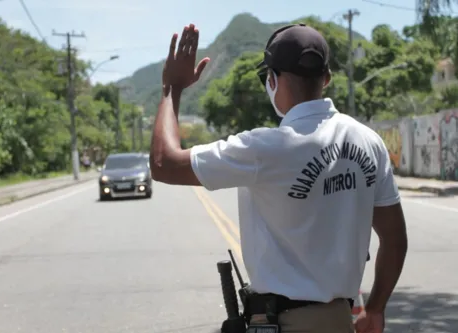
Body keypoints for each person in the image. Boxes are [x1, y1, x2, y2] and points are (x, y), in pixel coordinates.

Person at [149, 23, 408, 333]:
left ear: (272, 80)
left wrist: (172, 88)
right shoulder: (369, 142)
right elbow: (395, 240)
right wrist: (376, 308)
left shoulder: (265, 148)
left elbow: (164, 162)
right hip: (342, 320)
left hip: (284, 323)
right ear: (326, 78)